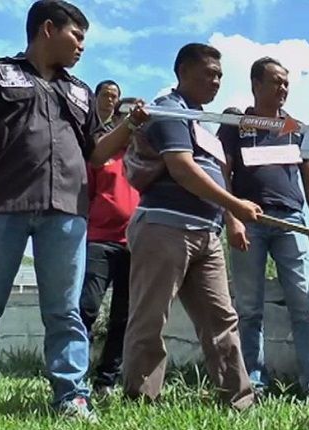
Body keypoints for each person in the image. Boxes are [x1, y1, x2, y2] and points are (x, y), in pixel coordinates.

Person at [0, 0, 147, 420]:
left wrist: (128, 126)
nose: (82, 47)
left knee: (65, 310)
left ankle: (71, 396)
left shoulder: (80, 91)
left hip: (68, 212)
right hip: (2, 205)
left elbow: (96, 152)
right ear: (47, 29)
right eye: (77, 36)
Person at [121, 43, 258, 410]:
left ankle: (240, 401)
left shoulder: (200, 121)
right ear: (182, 71)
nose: (215, 81)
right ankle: (141, 399)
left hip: (206, 233)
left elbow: (214, 174)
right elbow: (182, 168)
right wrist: (236, 206)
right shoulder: (168, 109)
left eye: (219, 76)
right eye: (207, 73)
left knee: (222, 319)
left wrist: (228, 218)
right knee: (151, 317)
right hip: (165, 228)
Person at [217, 57, 309, 391]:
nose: (283, 89)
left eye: (286, 83)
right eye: (276, 81)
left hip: (294, 221)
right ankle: (253, 384)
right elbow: (223, 174)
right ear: (256, 85)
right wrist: (231, 217)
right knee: (248, 309)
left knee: (307, 305)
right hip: (249, 221)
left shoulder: (297, 128)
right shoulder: (235, 124)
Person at [78, 82, 140, 397]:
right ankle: (75, 376)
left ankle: (106, 381)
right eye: (126, 117)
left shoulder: (147, 159)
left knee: (123, 317)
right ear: (115, 119)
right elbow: (85, 196)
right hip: (100, 241)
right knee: (86, 307)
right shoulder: (100, 154)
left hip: (136, 246)